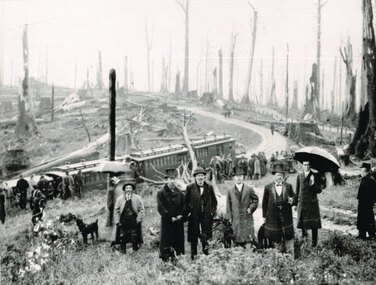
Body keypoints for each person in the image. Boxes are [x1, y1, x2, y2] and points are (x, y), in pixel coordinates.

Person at [262, 163, 295, 254]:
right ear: (274, 176)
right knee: (275, 235)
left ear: (283, 176)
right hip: (273, 216)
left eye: (281, 175)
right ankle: (277, 255)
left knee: (288, 235)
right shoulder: (268, 187)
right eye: (277, 175)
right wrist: (264, 216)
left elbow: (295, 198)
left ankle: (289, 256)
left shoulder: (288, 186)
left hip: (286, 215)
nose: (279, 177)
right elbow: (264, 203)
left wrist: (292, 200)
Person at [185, 167, 217, 259]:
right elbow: (186, 202)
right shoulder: (190, 188)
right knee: (194, 235)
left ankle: (206, 254)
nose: (200, 178)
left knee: (206, 234)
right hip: (194, 215)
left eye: (202, 176)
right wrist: (189, 213)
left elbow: (214, 202)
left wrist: (212, 212)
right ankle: (193, 256)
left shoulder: (209, 187)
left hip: (206, 215)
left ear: (204, 177)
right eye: (198, 176)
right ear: (195, 177)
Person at [226, 167, 258, 247]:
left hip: (247, 218)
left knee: (248, 240)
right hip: (236, 219)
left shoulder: (249, 189)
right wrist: (229, 217)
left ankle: (248, 252)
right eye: (237, 176)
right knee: (236, 239)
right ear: (234, 178)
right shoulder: (230, 190)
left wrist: (251, 208)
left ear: (243, 177)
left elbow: (255, 200)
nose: (239, 178)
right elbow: (228, 206)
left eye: (240, 175)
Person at [157, 172, 186, 261]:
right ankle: (165, 259)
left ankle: (176, 257)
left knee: (178, 239)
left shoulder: (179, 192)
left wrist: (181, 215)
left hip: (178, 220)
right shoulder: (161, 192)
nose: (172, 181)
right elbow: (161, 207)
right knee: (166, 240)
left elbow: (184, 204)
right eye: (169, 179)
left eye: (173, 179)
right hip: (167, 221)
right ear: (166, 180)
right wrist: (170, 217)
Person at [294, 160, 322, 247]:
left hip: (312, 204)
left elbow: (319, 190)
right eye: (305, 165)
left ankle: (314, 244)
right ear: (302, 166)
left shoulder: (315, 175)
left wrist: (313, 183)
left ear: (310, 166)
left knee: (314, 225)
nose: (306, 166)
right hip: (302, 203)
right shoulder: (299, 175)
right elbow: (297, 190)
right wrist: (295, 203)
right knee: (303, 224)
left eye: (308, 165)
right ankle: (304, 241)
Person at [114, 182, 145, 253]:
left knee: (134, 234)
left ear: (132, 190)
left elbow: (141, 209)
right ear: (124, 190)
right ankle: (123, 250)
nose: (128, 189)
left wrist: (139, 219)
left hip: (133, 219)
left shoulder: (137, 198)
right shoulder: (119, 199)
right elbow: (116, 211)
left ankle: (135, 250)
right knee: (122, 235)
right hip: (123, 220)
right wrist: (117, 221)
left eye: (130, 188)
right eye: (127, 188)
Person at [356, 162, 376, 239]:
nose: (360, 170)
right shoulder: (364, 178)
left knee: (369, 218)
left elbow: (373, 193)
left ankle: (372, 234)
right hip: (362, 202)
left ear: (365, 170)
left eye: (361, 169)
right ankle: (362, 234)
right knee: (361, 218)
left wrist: (372, 202)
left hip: (367, 203)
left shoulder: (371, 179)